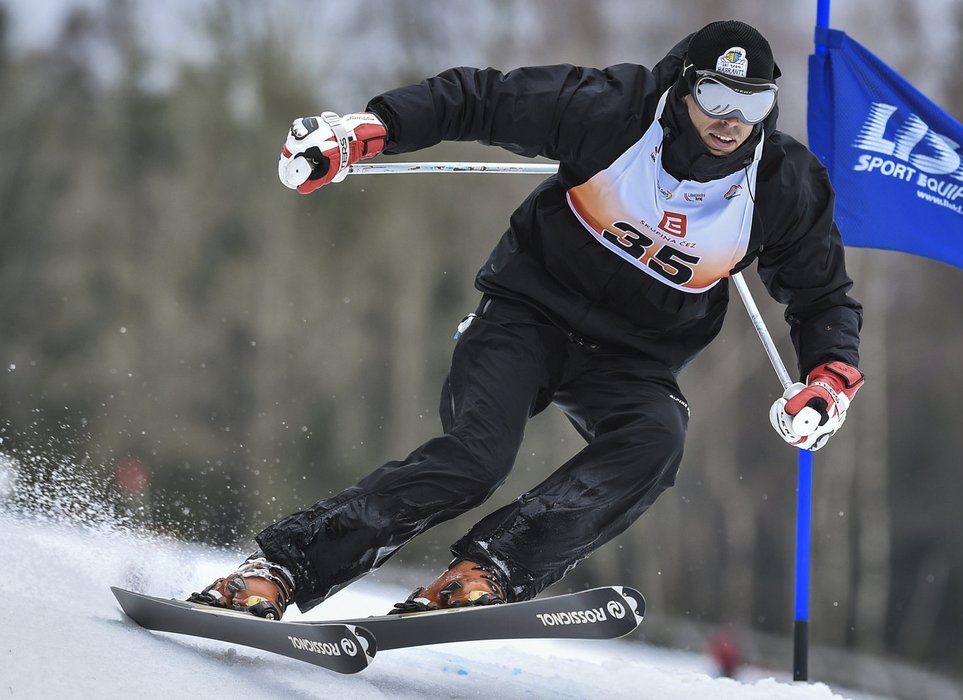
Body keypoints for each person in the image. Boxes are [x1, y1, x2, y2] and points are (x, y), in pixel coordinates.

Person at [189, 20, 863, 621]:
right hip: (527, 315)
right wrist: (370, 130)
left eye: (753, 104)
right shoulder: (613, 113)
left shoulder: (780, 186)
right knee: (475, 461)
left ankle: (488, 570)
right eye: (717, 99)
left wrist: (827, 379)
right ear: (681, 89)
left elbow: (824, 296)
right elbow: (480, 97)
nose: (732, 121)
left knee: (657, 439)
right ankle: (281, 570)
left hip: (632, 360)